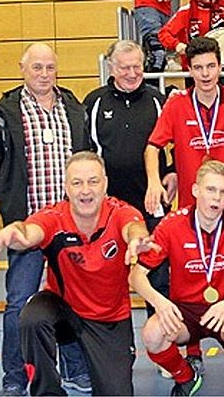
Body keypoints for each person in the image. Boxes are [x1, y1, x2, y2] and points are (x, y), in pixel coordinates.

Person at [0, 43, 91, 397]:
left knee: (70, 301)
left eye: (50, 68)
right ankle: (15, 378)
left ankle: (74, 370)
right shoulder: (4, 113)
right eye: (37, 67)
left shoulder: (74, 108)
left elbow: (87, 159)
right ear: (22, 69)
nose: (44, 74)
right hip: (26, 229)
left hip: (68, 229)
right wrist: (13, 204)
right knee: (19, 304)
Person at [0, 152, 150, 396]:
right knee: (32, 317)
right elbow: (30, 231)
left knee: (117, 392)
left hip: (108, 320)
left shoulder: (120, 212)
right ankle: (48, 392)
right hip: (65, 311)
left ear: (105, 183)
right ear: (66, 187)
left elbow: (134, 227)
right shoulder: (55, 216)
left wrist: (138, 239)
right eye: (77, 182)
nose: (85, 190)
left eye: (93, 181)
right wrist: (16, 233)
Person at [132, 160, 224, 396]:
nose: (216, 198)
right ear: (195, 190)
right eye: (210, 190)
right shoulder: (172, 224)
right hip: (185, 312)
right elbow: (137, 276)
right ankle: (186, 378)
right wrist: (160, 303)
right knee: (152, 334)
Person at [83, 41, 174, 311]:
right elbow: (83, 154)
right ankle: (108, 343)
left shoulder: (158, 101)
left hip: (151, 206)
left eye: (137, 66)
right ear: (112, 68)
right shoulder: (94, 102)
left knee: (157, 278)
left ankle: (163, 342)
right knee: (107, 278)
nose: (133, 73)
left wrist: (173, 173)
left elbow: (177, 143)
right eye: (125, 68)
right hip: (108, 210)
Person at [145, 37, 224, 215]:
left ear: (220, 67)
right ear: (189, 70)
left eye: (211, 66)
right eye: (198, 68)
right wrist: (153, 181)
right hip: (191, 206)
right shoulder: (176, 104)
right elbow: (152, 147)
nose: (205, 74)